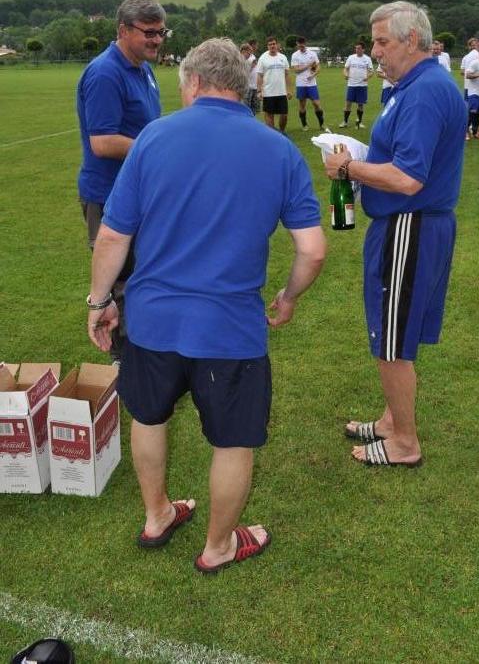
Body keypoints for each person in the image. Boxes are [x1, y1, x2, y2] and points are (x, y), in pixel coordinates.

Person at [86, 38, 325, 573]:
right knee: (233, 440)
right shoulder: (278, 149)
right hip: (230, 327)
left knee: (149, 416)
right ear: (242, 85)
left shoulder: (153, 138)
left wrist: (99, 301)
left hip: (153, 321)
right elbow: (312, 249)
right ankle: (217, 547)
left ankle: (157, 515)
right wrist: (288, 296)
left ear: (193, 82)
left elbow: (113, 235)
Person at [324, 2, 466, 467]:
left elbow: (407, 178)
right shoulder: (415, 87)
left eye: (382, 41)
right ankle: (391, 420)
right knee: (396, 332)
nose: (375, 51)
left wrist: (348, 167)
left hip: (410, 224)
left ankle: (404, 442)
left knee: (390, 336)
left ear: (412, 40)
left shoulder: (423, 92)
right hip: (414, 224)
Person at [76, 0, 165, 359]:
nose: (157, 40)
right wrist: (158, 147)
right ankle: (124, 365)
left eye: (161, 32)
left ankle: (145, 357)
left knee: (143, 277)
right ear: (124, 30)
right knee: (120, 282)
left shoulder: (142, 68)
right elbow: (102, 142)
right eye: (149, 32)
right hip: (108, 195)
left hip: (140, 192)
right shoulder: (105, 73)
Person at [290, 37, 327, 131]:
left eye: (302, 44)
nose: (301, 46)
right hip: (301, 84)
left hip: (312, 83)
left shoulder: (312, 54)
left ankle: (322, 124)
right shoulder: (295, 55)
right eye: (299, 44)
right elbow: (296, 70)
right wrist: (308, 65)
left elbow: (318, 66)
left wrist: (314, 74)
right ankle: (304, 125)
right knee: (302, 105)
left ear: (305, 44)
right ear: (297, 44)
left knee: (316, 104)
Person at [256, 37, 292, 131]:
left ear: (277, 45)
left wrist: (289, 90)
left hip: (281, 92)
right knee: (269, 114)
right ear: (267, 46)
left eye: (274, 44)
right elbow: (259, 75)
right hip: (268, 93)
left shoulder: (283, 57)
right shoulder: (263, 58)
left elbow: (287, 74)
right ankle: (272, 134)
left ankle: (282, 132)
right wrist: (259, 91)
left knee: (284, 115)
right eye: (270, 44)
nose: (272, 46)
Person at [339, 42, 374, 129]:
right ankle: (345, 122)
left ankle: (359, 122)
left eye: (359, 48)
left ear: (363, 49)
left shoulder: (367, 59)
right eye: (356, 48)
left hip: (362, 85)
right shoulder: (351, 57)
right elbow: (345, 69)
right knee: (348, 103)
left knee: (360, 104)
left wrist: (367, 77)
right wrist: (345, 74)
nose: (357, 50)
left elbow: (371, 71)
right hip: (351, 85)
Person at [240, 42, 260, 115]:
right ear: (243, 51)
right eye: (248, 52)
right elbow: (242, 74)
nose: (249, 54)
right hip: (246, 87)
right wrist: (251, 66)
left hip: (254, 86)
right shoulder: (239, 61)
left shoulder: (250, 58)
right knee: (246, 108)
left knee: (254, 109)